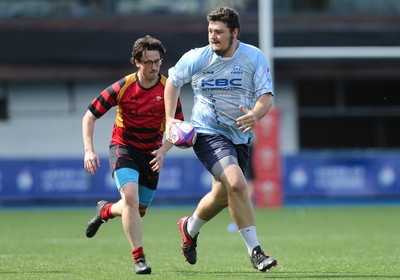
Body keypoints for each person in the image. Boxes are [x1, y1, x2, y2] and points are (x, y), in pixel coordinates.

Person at [164, 6, 277, 272]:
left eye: (219, 32)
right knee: (237, 183)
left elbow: (266, 96)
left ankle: (189, 228)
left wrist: (256, 115)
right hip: (206, 133)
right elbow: (172, 81)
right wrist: (170, 120)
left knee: (221, 195)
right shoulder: (197, 57)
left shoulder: (253, 57)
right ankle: (256, 252)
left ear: (235, 33)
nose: (213, 37)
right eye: (210, 31)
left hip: (240, 136)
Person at [82, 35, 184, 275]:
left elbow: (175, 126)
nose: (154, 67)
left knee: (137, 209)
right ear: (137, 62)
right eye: (148, 62)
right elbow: (89, 116)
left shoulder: (168, 89)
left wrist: (163, 150)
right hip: (123, 147)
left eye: (157, 61)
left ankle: (105, 211)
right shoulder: (122, 86)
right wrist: (88, 150)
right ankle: (139, 258)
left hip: (151, 153)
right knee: (130, 197)